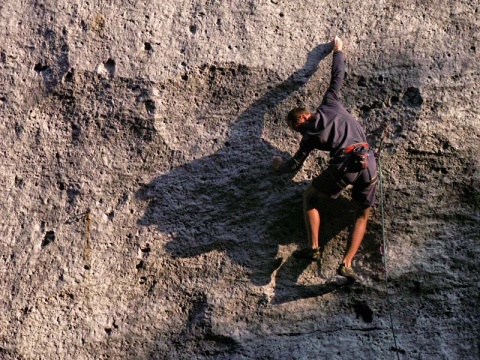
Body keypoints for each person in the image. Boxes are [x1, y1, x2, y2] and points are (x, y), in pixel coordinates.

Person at [272, 36, 377, 280]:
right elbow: (337, 77)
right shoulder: (330, 104)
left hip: (345, 165)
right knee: (362, 214)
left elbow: (293, 165)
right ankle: (347, 263)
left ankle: (314, 248)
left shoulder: (308, 137)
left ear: (301, 119)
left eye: (296, 127)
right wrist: (337, 50)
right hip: (368, 162)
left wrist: (277, 166)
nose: (299, 132)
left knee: (310, 196)